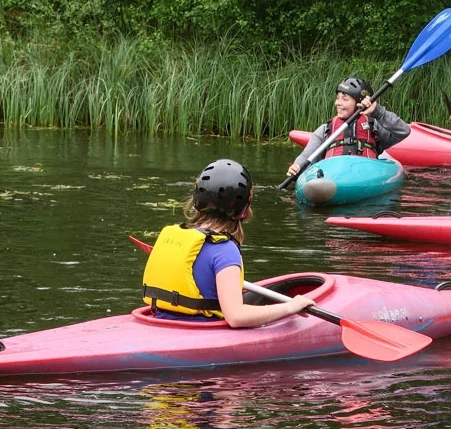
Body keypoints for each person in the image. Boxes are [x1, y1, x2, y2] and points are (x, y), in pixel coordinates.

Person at [142, 159, 315, 327]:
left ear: (197, 200)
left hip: (159, 322)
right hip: (198, 334)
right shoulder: (224, 250)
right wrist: (290, 307)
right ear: (244, 209)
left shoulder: (178, 235)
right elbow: (236, 317)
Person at [285, 76, 412, 178]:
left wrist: (378, 112)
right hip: (331, 176)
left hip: (366, 175)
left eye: (344, 99)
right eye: (337, 98)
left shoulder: (374, 126)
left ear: (359, 103)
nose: (338, 103)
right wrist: (297, 166)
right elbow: (306, 156)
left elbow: (403, 131)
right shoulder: (325, 129)